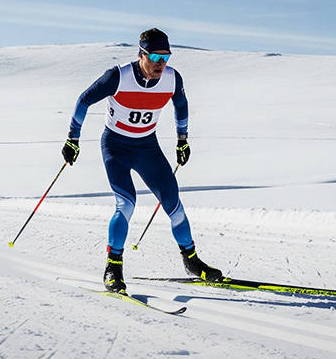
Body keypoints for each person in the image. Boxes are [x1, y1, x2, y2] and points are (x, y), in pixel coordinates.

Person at [63, 28, 221, 293]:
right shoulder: (118, 76)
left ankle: (192, 261)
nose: (161, 63)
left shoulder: (172, 79)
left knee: (174, 204)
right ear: (142, 54)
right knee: (126, 204)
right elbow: (83, 100)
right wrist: (72, 138)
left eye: (166, 57)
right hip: (116, 147)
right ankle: (113, 267)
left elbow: (181, 106)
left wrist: (182, 140)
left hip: (147, 147)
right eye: (156, 57)